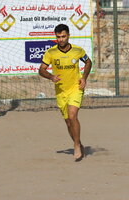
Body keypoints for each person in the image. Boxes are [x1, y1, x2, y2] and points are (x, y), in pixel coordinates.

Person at [39, 24, 92, 161]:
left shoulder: (77, 50)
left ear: (68, 35)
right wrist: (51, 76)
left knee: (73, 115)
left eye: (63, 36)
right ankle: (79, 143)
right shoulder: (51, 52)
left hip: (76, 88)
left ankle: (75, 146)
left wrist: (84, 78)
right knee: (68, 122)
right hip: (61, 91)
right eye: (58, 37)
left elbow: (88, 62)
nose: (61, 39)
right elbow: (41, 69)